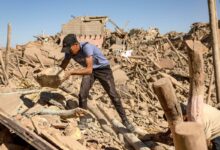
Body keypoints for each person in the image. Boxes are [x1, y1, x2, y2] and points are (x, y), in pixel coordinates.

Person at [60, 34, 134, 132]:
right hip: (89, 71)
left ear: (76, 44)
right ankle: (83, 119)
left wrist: (71, 72)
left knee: (113, 95)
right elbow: (63, 65)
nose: (68, 52)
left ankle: (125, 121)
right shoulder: (69, 53)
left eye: (69, 49)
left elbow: (89, 70)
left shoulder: (86, 47)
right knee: (82, 94)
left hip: (102, 69)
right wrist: (55, 73)